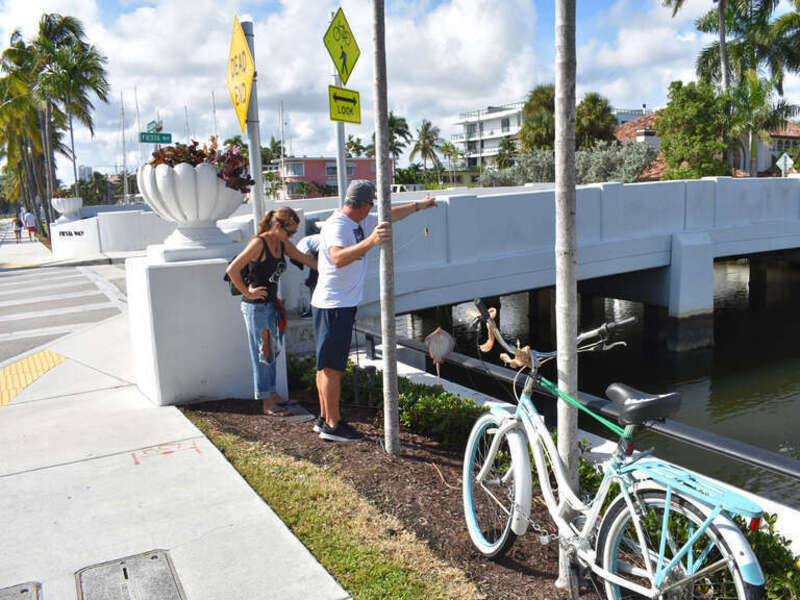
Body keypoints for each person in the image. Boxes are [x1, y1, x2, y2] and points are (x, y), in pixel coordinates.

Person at [312, 180, 436, 442]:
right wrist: (371, 242)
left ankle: (324, 418)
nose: (373, 211)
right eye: (372, 205)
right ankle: (333, 426)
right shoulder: (340, 225)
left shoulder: (359, 221)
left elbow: (390, 216)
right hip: (334, 305)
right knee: (331, 368)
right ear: (365, 204)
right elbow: (337, 258)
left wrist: (419, 206)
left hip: (337, 304)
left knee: (326, 366)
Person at [227, 207, 317, 417]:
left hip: (270, 305)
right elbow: (232, 270)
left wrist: (334, 267)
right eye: (290, 232)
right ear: (278, 226)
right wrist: (247, 292)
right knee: (263, 353)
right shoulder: (259, 243)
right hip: (255, 307)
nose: (292, 236)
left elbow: (305, 260)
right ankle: (267, 402)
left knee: (272, 351)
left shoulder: (281, 243)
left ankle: (273, 394)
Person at [291, 233, 321, 317]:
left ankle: (314, 311)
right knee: (313, 281)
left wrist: (312, 279)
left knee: (314, 282)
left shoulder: (301, 246)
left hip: (324, 249)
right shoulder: (304, 244)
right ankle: (314, 310)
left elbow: (310, 258)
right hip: (323, 248)